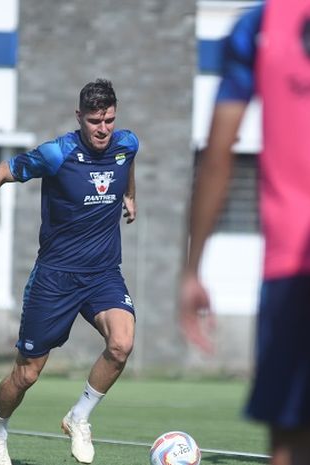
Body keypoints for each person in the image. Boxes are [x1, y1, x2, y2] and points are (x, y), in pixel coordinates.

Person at [0, 79, 138, 465]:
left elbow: (127, 164)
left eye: (109, 120)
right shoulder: (56, 154)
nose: (103, 129)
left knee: (121, 344)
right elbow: (0, 171)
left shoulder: (126, 144)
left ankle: (79, 417)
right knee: (26, 375)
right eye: (94, 120)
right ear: (79, 117)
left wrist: (130, 195)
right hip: (55, 278)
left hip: (102, 274)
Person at [179, 1, 310, 464]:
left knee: (290, 442)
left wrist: (192, 268)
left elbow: (219, 153)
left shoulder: (260, 24)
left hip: (292, 270)